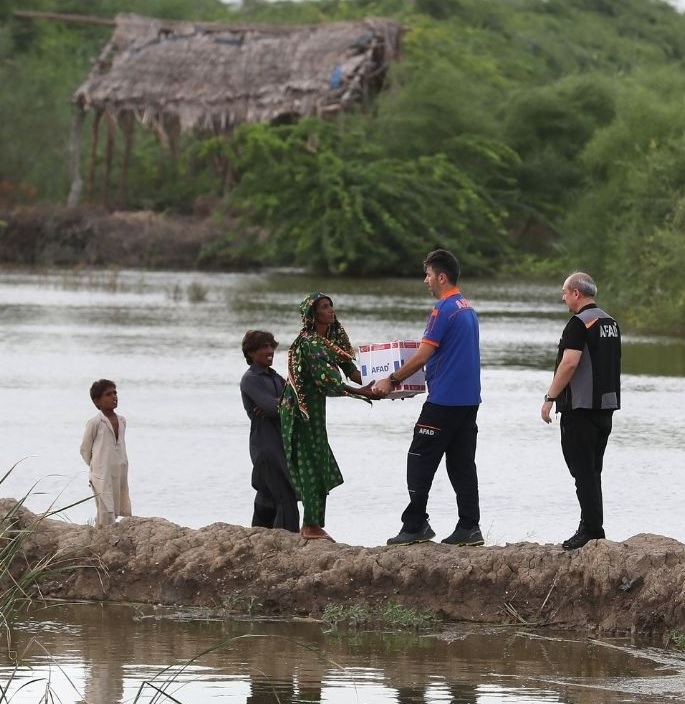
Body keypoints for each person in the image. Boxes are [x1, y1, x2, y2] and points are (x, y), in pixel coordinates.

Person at [375, 249, 483, 547]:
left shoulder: (444, 309)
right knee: (462, 464)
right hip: (468, 401)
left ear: (441, 276)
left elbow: (424, 354)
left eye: (428, 274)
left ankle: (415, 525)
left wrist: (392, 379)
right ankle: (470, 527)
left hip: (445, 402)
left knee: (419, 458)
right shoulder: (468, 308)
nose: (426, 280)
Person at [279, 292, 378, 542]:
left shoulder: (330, 339)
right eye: (324, 307)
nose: (330, 310)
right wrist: (363, 392)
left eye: (331, 305)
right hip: (300, 410)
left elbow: (351, 371)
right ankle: (310, 525)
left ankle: (312, 524)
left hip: (315, 409)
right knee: (310, 462)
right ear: (312, 315)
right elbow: (328, 382)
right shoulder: (310, 343)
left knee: (319, 459)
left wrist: (389, 383)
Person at [541, 272, 621, 550]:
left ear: (576, 293)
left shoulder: (578, 324)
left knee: (581, 470)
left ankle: (591, 530)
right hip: (605, 408)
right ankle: (591, 525)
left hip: (580, 408)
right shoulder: (610, 322)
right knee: (593, 470)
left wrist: (550, 397)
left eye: (565, 292)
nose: (563, 297)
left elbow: (570, 363)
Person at [240, 329, 299, 533]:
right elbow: (274, 408)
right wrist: (281, 404)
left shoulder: (273, 377)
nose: (270, 350)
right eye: (264, 347)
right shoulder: (251, 379)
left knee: (268, 495)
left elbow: (294, 401)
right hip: (265, 447)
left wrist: (281, 404)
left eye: (271, 346)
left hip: (279, 443)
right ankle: (290, 543)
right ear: (251, 353)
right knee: (286, 495)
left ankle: (256, 537)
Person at [80, 379, 132, 528]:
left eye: (115, 393)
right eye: (108, 394)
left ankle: (108, 535)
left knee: (117, 505)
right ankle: (102, 538)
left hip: (118, 470)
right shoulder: (95, 423)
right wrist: (96, 465)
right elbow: (85, 448)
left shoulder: (122, 421)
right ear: (97, 402)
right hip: (100, 473)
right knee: (105, 510)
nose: (114, 397)